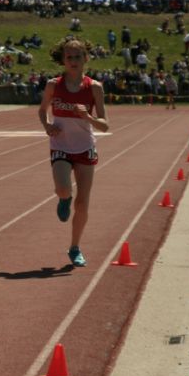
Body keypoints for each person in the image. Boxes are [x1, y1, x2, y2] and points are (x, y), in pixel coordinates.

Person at [38, 37, 109, 267]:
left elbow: (104, 124)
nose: (74, 61)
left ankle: (75, 247)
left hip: (85, 147)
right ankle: (63, 199)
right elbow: (42, 111)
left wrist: (87, 117)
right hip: (60, 144)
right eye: (69, 57)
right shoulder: (53, 85)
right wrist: (47, 125)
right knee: (63, 188)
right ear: (63, 60)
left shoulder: (94, 87)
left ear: (85, 58)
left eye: (78, 56)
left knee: (83, 203)